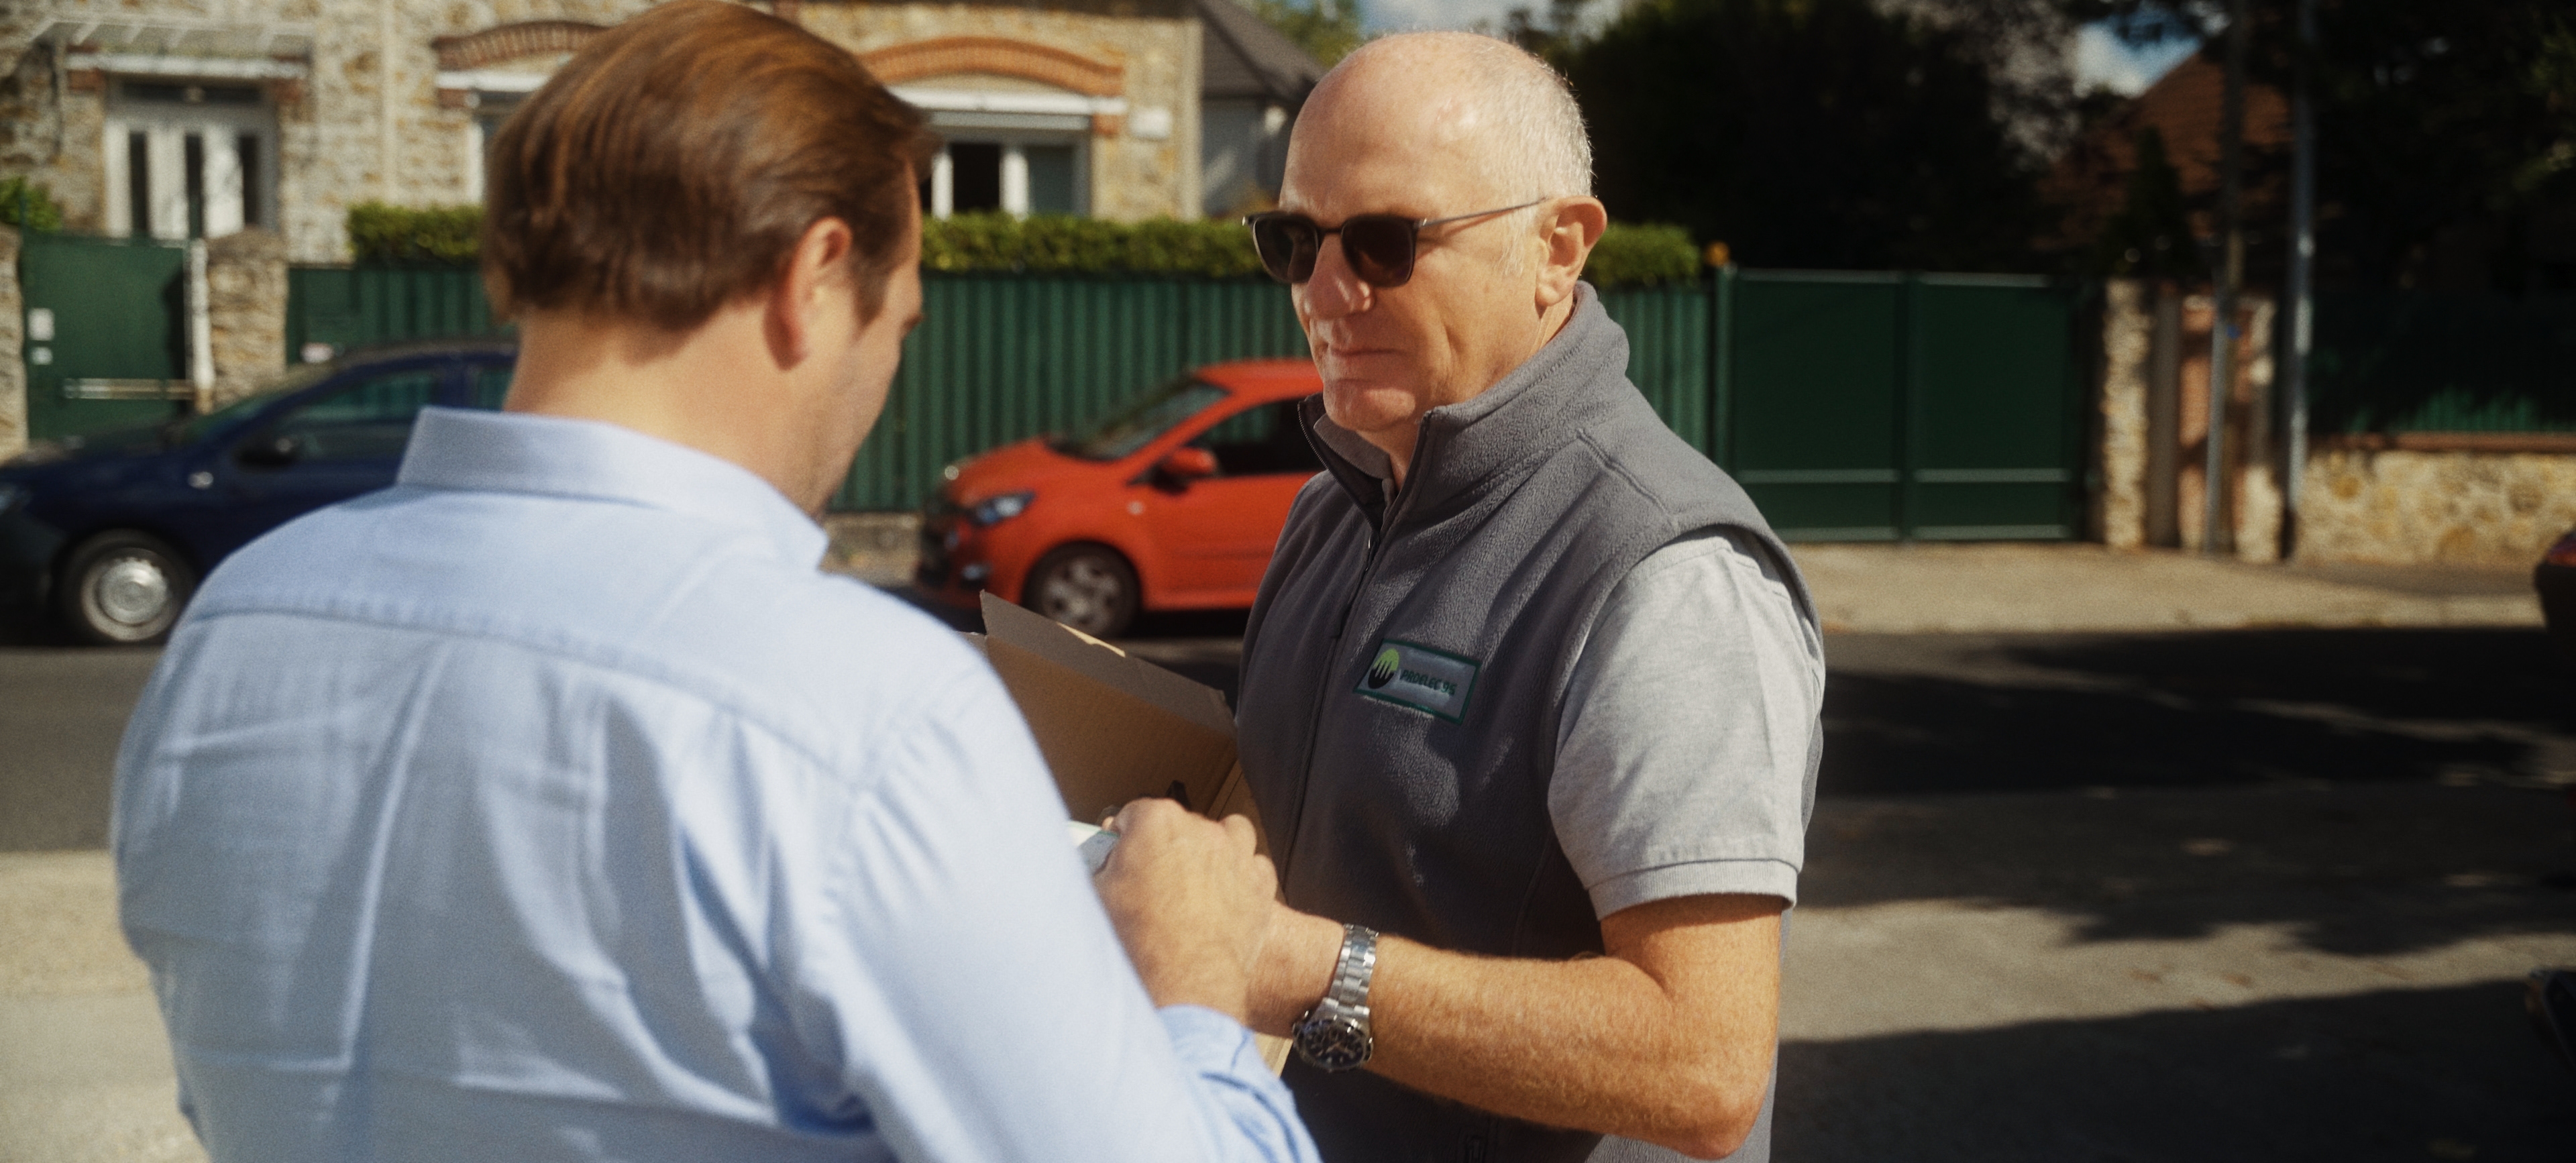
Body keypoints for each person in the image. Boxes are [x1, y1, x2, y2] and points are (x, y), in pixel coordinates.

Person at [110, 5, 1317, 1162]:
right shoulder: (870, 704)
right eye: (899, 324)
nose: (886, 372)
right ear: (815, 275)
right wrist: (1192, 984)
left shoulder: (235, 622)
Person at [1226, 32, 1826, 1163]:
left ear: (1557, 248)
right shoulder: (1332, 509)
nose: (1325, 292)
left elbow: (1703, 1066)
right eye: (1293, 241)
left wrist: (1302, 971)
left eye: (1387, 242)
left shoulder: (1668, 570)